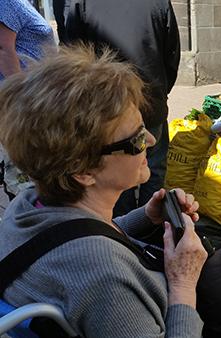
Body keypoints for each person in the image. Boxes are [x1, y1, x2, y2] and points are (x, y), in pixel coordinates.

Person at [0, 46, 207, 337]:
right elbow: (91, 260)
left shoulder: (26, 204)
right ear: (83, 171)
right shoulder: (105, 279)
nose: (149, 140)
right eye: (134, 140)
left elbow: (70, 236)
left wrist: (145, 218)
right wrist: (184, 285)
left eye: (143, 126)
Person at [54, 0, 181, 217]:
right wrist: (160, 92)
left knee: (119, 178)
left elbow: (72, 58)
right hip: (148, 103)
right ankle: (148, 227)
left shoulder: (79, 3)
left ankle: (127, 226)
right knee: (152, 170)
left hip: (107, 113)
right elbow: (172, 54)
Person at [0, 0, 55, 200]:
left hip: (33, 95)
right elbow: (3, 50)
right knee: (28, 169)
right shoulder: (6, 2)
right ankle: (30, 220)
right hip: (24, 100)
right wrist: (23, 97)